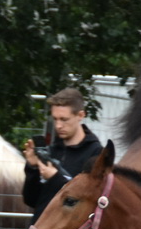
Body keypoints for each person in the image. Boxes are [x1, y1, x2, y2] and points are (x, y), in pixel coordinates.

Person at [20, 87, 105, 216]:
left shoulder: (96, 154)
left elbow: (89, 201)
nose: (58, 125)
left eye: (64, 119)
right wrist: (32, 167)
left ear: (81, 115)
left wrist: (55, 179)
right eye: (55, 119)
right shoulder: (50, 152)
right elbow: (31, 200)